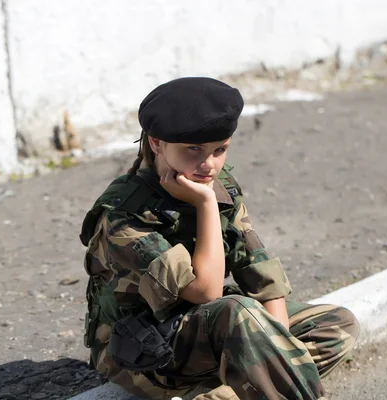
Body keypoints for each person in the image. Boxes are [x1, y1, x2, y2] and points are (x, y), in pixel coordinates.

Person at [79, 77, 359, 400]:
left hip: (203, 329)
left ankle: (225, 392)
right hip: (143, 350)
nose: (209, 165)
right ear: (156, 143)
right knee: (237, 312)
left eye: (220, 150)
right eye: (194, 150)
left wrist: (279, 342)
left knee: (336, 325)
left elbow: (260, 271)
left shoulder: (216, 182)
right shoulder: (124, 214)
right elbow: (206, 291)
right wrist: (205, 203)